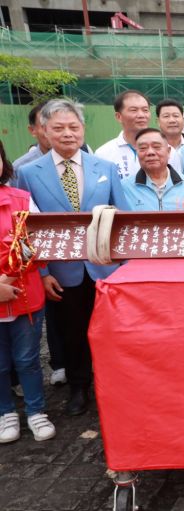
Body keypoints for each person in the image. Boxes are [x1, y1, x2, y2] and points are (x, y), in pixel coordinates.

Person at [16, 99, 129, 416]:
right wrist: (42, 274)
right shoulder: (28, 173)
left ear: (82, 129)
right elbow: (27, 228)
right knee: (72, 333)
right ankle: (80, 388)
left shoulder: (104, 168)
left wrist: (124, 270)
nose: (67, 134)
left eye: (73, 127)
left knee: (111, 331)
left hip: (104, 268)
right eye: (58, 128)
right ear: (44, 131)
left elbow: (122, 218)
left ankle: (114, 385)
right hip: (60, 272)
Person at [0, 139, 56, 444]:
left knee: (27, 358)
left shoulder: (21, 199)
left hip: (23, 292)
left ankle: (36, 411)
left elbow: (38, 243)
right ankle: (5, 412)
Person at [96, 90, 184, 180]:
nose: (141, 115)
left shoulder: (168, 151)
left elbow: (177, 187)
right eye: (134, 110)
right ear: (119, 116)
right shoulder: (103, 154)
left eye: (145, 110)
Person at [122, 128, 184, 211]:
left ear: (168, 151)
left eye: (156, 147)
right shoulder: (124, 188)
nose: (150, 152)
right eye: (143, 148)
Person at [12, 102, 52, 171]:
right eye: (44, 127)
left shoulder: (76, 160)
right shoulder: (20, 167)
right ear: (32, 130)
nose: (53, 132)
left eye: (59, 127)